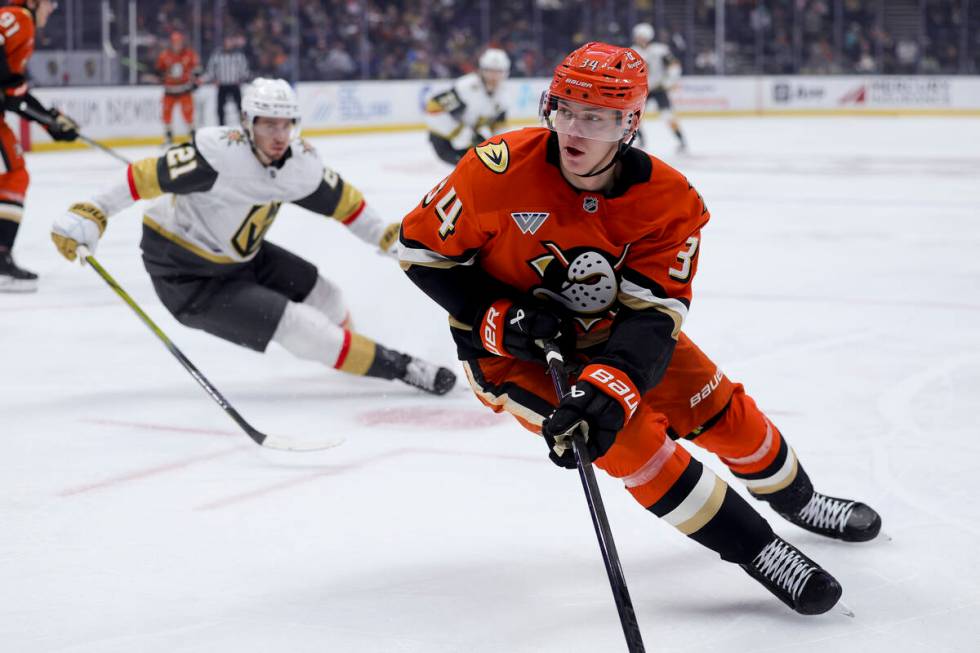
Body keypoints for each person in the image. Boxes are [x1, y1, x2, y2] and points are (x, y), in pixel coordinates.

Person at [398, 43, 880, 615]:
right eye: (566, 110)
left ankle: (801, 501)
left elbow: (654, 314)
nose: (574, 131)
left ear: (629, 123)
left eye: (596, 117)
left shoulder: (670, 201)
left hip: (617, 334)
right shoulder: (493, 171)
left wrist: (615, 379)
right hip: (515, 356)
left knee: (724, 412)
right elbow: (421, 252)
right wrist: (498, 314)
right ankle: (760, 550)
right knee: (635, 446)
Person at [51, 78, 456, 396]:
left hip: (242, 258)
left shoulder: (299, 165)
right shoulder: (217, 155)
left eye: (286, 124)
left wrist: (387, 237)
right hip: (188, 277)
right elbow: (142, 176)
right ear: (248, 123)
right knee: (300, 327)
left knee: (326, 296)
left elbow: (346, 204)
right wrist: (94, 211)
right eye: (268, 124)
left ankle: (355, 354)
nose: (279, 135)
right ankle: (399, 367)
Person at [0, 0, 79, 292]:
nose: (52, 8)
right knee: (13, 176)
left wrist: (50, 122)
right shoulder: (19, 17)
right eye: (49, 2)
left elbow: (14, 91)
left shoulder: (23, 25)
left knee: (11, 175)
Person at [424, 48, 510, 166]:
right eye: (490, 71)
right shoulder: (467, 87)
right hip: (443, 138)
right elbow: (434, 107)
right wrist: (463, 134)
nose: (494, 77)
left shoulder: (503, 94)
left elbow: (500, 125)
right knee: (473, 168)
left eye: (499, 72)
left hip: (469, 138)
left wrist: (504, 147)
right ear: (482, 70)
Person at [631, 23, 687, 152]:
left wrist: (669, 81)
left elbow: (674, 65)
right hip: (642, 90)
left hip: (659, 88)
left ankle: (681, 140)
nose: (639, 39)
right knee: (633, 116)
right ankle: (640, 140)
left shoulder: (660, 50)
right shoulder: (633, 51)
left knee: (667, 116)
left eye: (641, 36)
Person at [156, 31, 201, 146]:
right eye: (175, 42)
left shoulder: (189, 54)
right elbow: (159, 69)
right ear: (171, 43)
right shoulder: (164, 55)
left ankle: (193, 135)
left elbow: (197, 69)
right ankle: (168, 135)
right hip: (169, 90)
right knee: (166, 114)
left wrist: (196, 80)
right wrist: (159, 75)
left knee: (188, 114)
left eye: (179, 42)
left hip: (184, 89)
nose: (177, 45)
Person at [207, 35, 250, 126]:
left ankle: (244, 124)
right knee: (220, 108)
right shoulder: (217, 55)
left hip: (234, 84)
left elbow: (244, 68)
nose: (228, 44)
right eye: (226, 42)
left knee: (240, 106)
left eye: (230, 42)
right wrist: (214, 79)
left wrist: (241, 79)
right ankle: (221, 125)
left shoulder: (239, 56)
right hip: (222, 85)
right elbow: (211, 68)